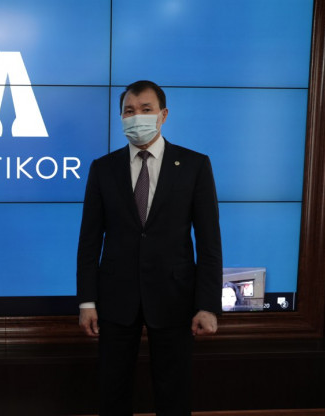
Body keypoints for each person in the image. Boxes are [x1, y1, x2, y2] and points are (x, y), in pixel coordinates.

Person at [77, 80, 222, 415]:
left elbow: (209, 242)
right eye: (129, 111)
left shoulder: (195, 165)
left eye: (145, 109)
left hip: (175, 298)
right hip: (115, 299)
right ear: (121, 117)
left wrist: (207, 305)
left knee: (174, 394)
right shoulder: (103, 168)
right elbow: (89, 241)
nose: (136, 116)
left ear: (163, 114)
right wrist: (87, 301)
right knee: (112, 392)